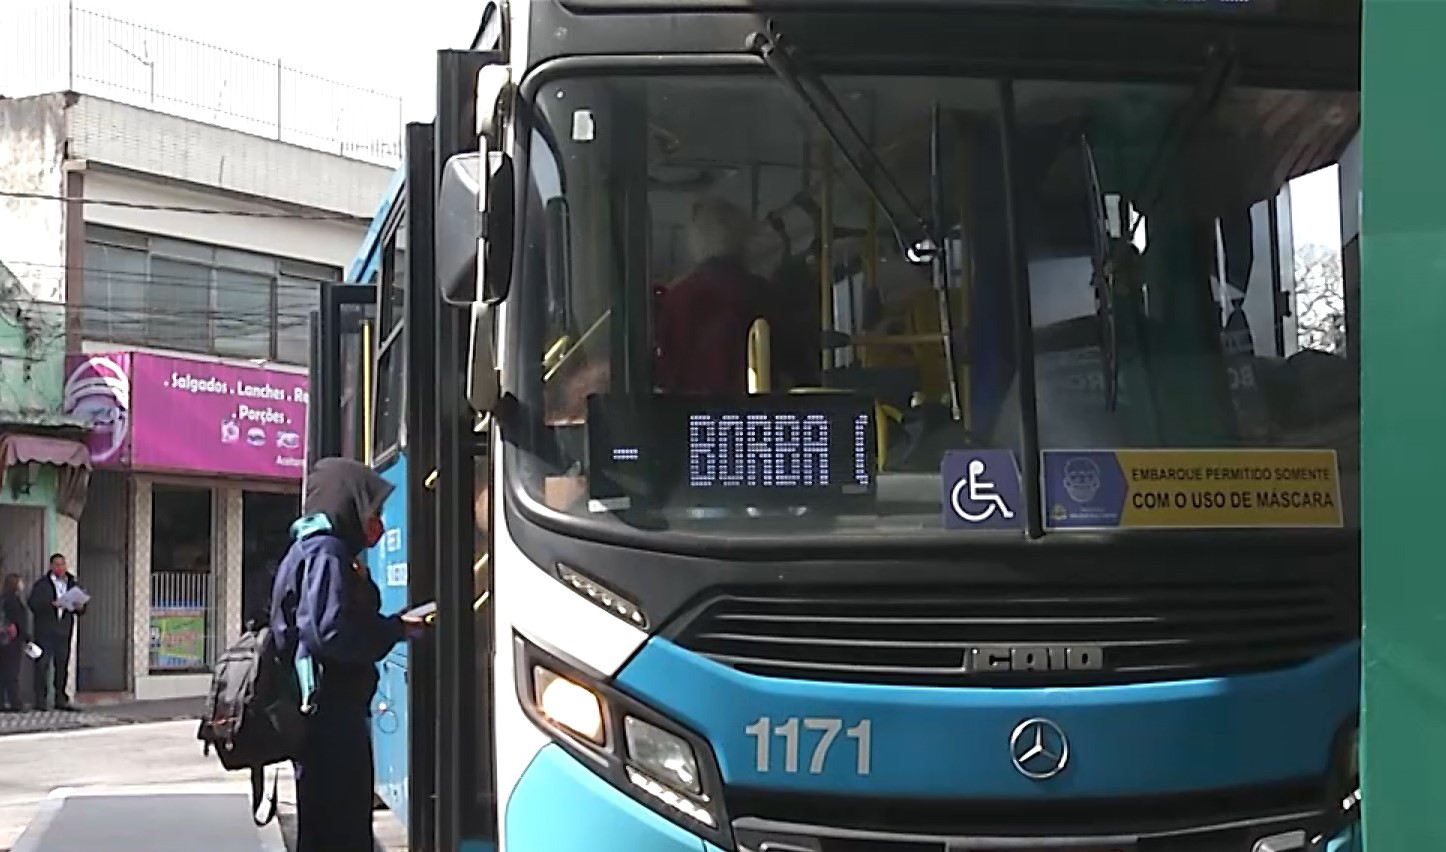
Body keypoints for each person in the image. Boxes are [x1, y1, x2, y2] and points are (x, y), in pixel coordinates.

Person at [271, 457, 427, 852]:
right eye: (374, 511)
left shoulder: (310, 546)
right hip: (331, 719)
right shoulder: (327, 551)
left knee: (326, 828)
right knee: (340, 829)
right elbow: (330, 632)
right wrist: (395, 629)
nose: (380, 524)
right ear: (349, 504)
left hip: (323, 716)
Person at [26, 554, 85, 712]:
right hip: (46, 630)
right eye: (57, 565)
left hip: (64, 630)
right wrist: (51, 604)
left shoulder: (72, 584)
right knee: (42, 665)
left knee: (62, 664)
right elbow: (33, 604)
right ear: (52, 566)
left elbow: (80, 607)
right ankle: (41, 700)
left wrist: (80, 607)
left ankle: (61, 698)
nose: (61, 568)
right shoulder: (42, 584)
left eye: (63, 565)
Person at [0, 573, 28, 711]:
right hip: (12, 640)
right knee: (12, 672)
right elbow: (19, 622)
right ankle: (15, 702)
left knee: (3, 671)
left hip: (3, 639)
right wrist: (26, 637)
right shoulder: (14, 601)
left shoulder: (3, 599)